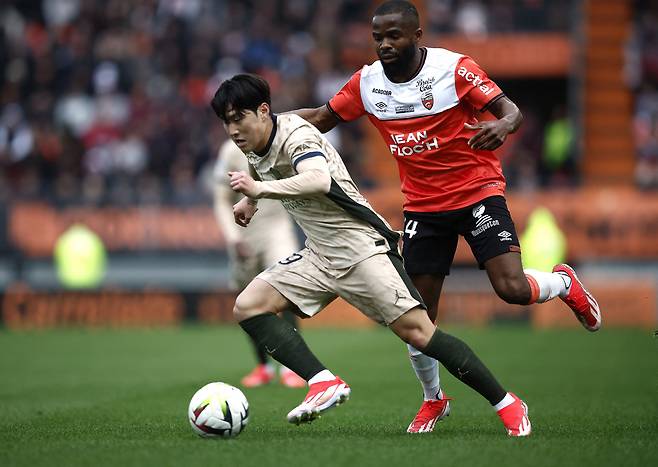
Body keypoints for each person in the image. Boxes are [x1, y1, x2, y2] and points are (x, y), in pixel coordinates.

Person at [290, 0, 602, 433]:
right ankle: (433, 400)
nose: (385, 44)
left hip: (477, 193)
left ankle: (563, 283)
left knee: (511, 288)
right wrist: (271, 128)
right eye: (378, 36)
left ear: (417, 36)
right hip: (422, 207)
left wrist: (502, 127)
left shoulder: (454, 69)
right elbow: (322, 119)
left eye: (394, 35)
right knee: (416, 314)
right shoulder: (366, 83)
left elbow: (512, 111)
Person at [210, 73, 531, 436]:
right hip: (319, 254)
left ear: (264, 111)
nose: (232, 129)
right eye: (226, 121)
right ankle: (323, 382)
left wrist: (260, 190)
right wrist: (250, 201)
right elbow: (260, 163)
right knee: (249, 304)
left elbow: (318, 179)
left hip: (361, 249)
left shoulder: (297, 134)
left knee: (420, 334)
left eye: (239, 118)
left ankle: (506, 403)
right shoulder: (253, 144)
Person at [213, 139, 306, 388]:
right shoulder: (229, 151)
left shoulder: (280, 142)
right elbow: (221, 199)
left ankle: (292, 367)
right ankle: (263, 366)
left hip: (277, 227)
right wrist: (232, 238)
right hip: (243, 233)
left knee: (285, 288)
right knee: (247, 302)